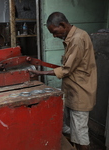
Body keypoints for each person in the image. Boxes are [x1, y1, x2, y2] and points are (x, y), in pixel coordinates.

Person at [29, 12, 97, 150]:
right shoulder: (72, 37)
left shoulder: (77, 39)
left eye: (55, 32)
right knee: (72, 130)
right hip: (73, 91)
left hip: (80, 93)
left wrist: (39, 72)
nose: (54, 36)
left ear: (62, 25)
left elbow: (67, 69)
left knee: (80, 135)